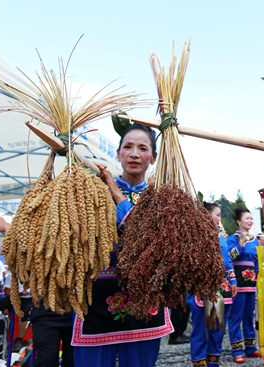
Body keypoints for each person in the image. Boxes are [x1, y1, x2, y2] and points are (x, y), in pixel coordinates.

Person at [71, 124, 174, 367]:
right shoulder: (94, 190)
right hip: (95, 298)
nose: (134, 154)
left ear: (153, 158)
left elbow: (145, 237)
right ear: (118, 154)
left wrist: (115, 192)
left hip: (143, 299)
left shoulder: (162, 198)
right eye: (128, 147)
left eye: (142, 148)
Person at [188, 201, 238, 367]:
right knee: (200, 329)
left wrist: (233, 280)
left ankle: (213, 362)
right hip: (201, 288)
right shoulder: (194, 237)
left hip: (222, 289)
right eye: (217, 215)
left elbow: (228, 261)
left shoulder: (221, 238)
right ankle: (199, 362)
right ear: (205, 215)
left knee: (218, 328)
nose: (219, 219)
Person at [226, 208, 260, 363]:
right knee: (235, 317)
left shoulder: (256, 240)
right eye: (247, 218)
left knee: (248, 316)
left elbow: (258, 261)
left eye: (252, 219)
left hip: (251, 283)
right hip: (237, 283)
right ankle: (237, 350)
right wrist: (241, 242)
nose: (250, 221)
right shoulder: (232, 239)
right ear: (239, 221)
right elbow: (230, 256)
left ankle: (251, 348)